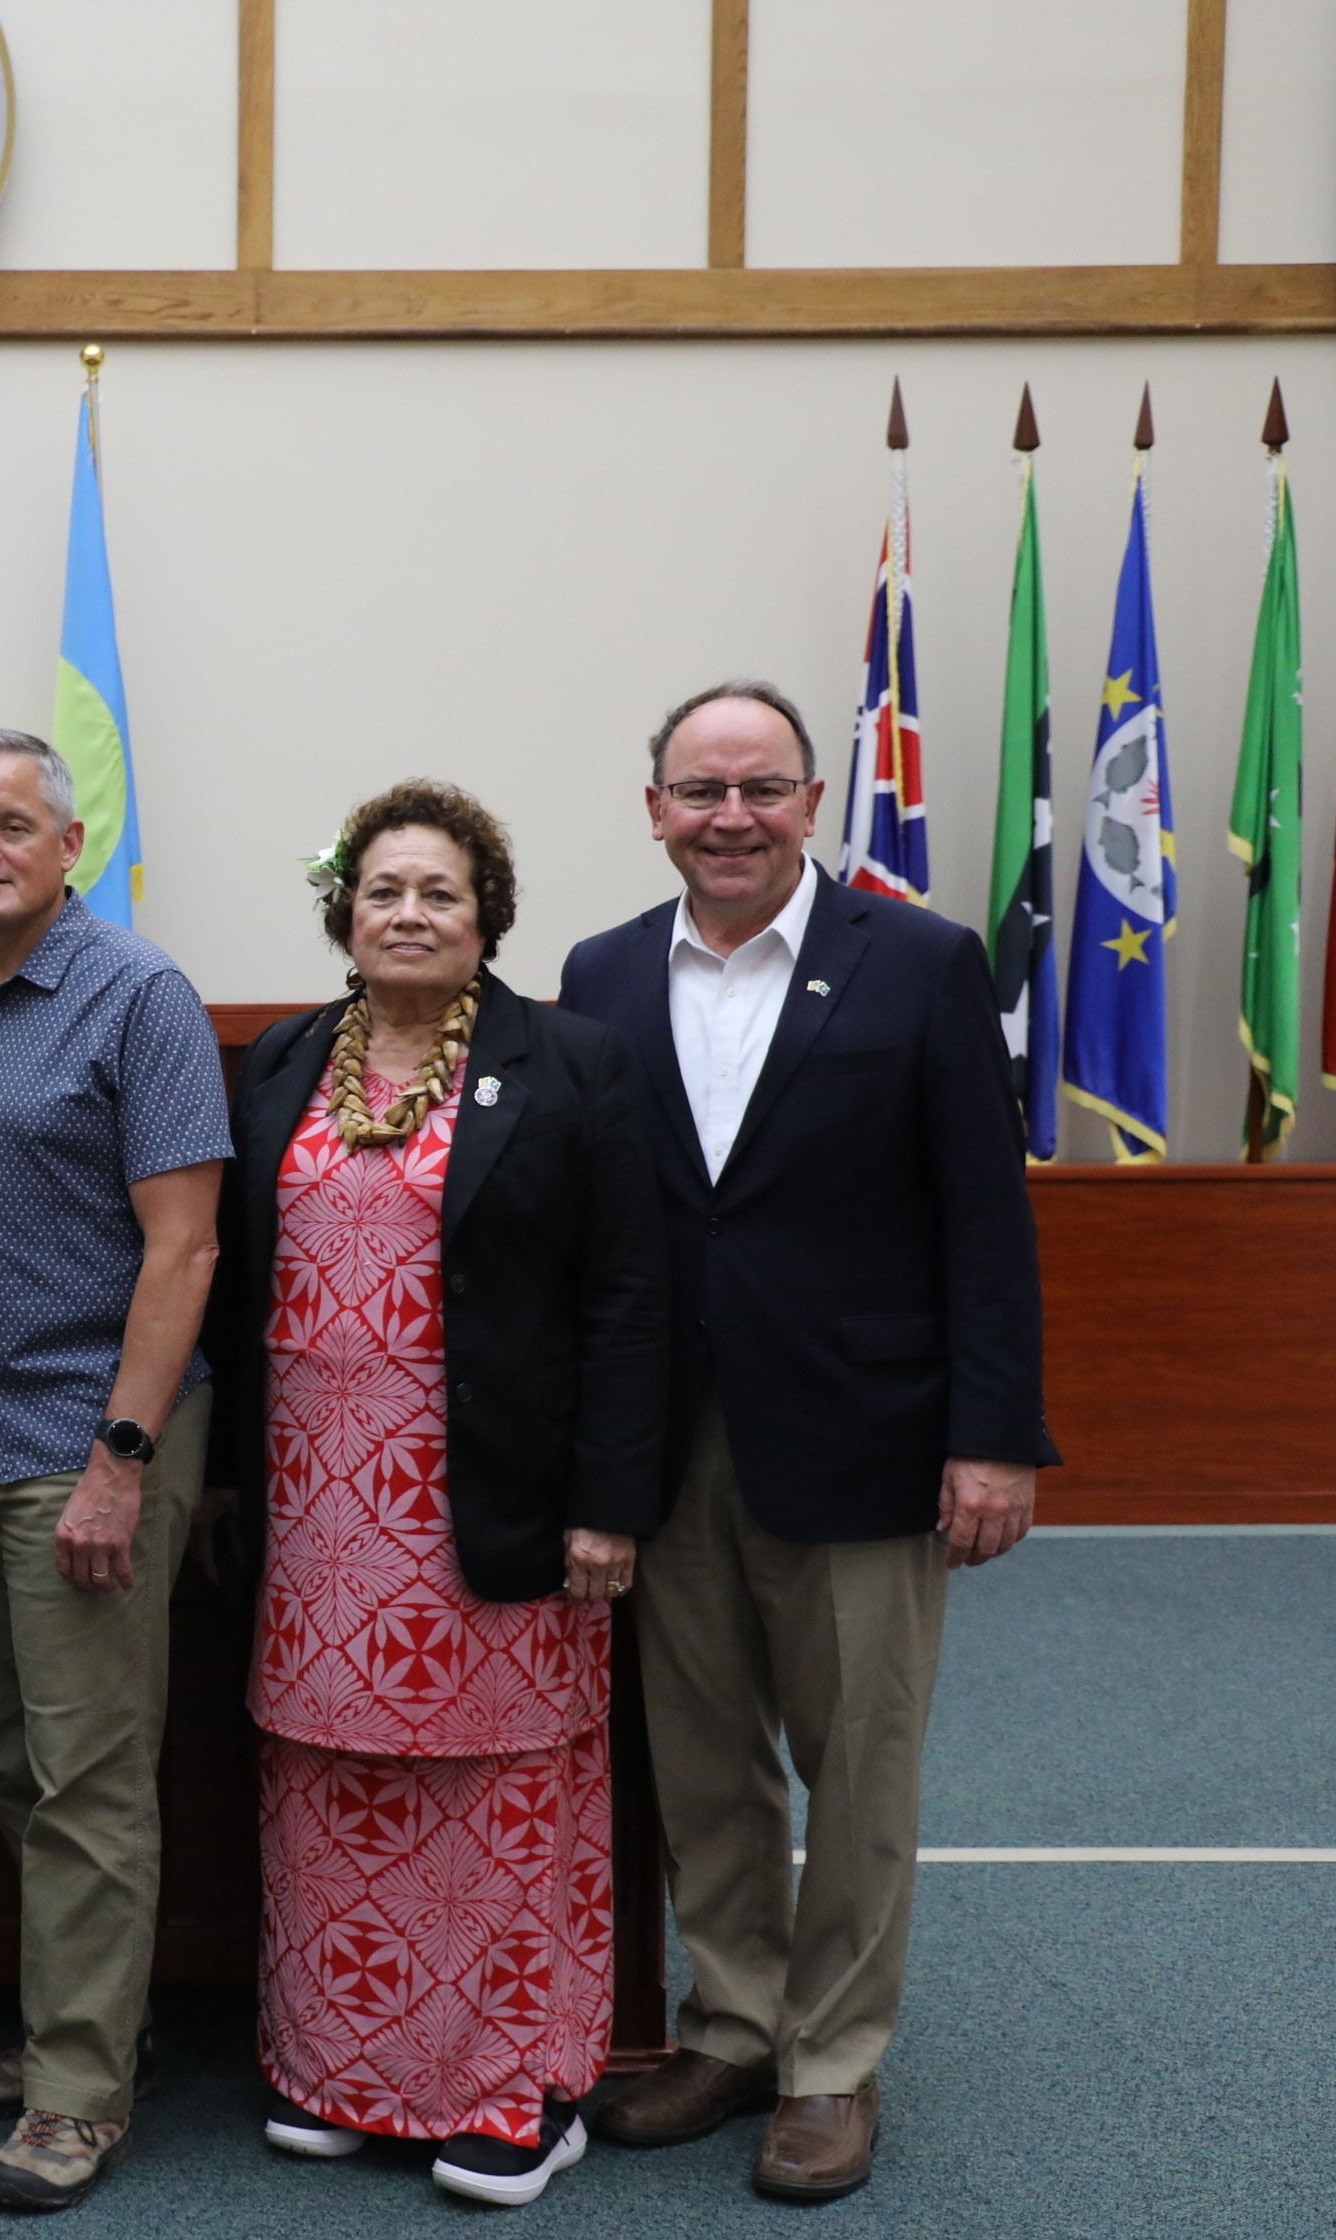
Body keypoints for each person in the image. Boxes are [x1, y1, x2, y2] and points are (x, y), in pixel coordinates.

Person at [557, 681, 1050, 2204]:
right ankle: (733, 2022)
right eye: (700, 791)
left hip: (867, 1439)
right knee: (704, 1763)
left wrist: (995, 1437)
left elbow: (986, 1216)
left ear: (813, 800)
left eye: (761, 788)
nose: (730, 817)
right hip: (670, 1443)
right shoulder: (599, 974)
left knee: (860, 1767)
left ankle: (832, 2064)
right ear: (653, 810)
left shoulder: (916, 963)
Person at [205, 781, 665, 2209]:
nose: (407, 914)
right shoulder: (282, 1061)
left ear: (488, 920)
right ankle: (342, 2074)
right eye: (383, 891)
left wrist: (607, 1501)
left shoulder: (573, 1065)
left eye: (438, 894)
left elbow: (629, 1298)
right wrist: (222, 1482)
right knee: (327, 1791)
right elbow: (230, 1292)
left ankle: (514, 2093)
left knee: (497, 1802)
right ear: (345, 914)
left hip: (495, 1505)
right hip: (313, 1520)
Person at [0, 728, 233, 2215]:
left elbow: (184, 1246)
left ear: (71, 844)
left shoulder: (140, 997)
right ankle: (89, 2017)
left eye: (15, 822)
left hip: (90, 1433)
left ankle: (78, 2088)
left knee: (89, 1774)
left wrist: (123, 1461)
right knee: (8, 1753)